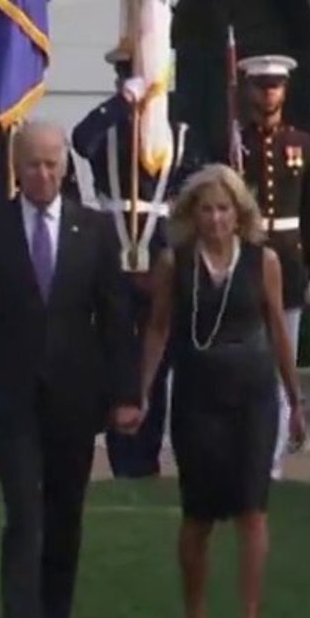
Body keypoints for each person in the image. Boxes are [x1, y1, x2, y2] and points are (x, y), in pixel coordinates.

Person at [0, 121, 141, 618]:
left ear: (65, 167)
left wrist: (126, 393)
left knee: (64, 513)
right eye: (34, 164)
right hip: (10, 397)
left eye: (53, 164)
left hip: (74, 396)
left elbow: (115, 319)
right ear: (17, 167)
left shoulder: (95, 231)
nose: (44, 174)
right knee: (24, 512)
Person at [138, 164, 306, 618]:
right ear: (193, 215)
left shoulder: (264, 261)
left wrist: (295, 401)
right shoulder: (175, 262)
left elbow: (279, 329)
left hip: (253, 394)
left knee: (252, 511)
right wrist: (140, 392)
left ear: (239, 214)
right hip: (196, 394)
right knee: (199, 515)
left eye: (224, 209)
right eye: (206, 210)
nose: (215, 219)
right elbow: (159, 329)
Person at [72, 46, 196, 480]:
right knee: (111, 348)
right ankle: (120, 450)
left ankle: (146, 450)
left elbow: (187, 188)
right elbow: (79, 140)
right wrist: (120, 104)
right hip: (110, 243)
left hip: (158, 247)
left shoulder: (176, 131)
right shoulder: (106, 125)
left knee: (155, 352)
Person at [235, 54, 310, 480]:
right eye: (260, 85)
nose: (268, 93)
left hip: (288, 265)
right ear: (247, 90)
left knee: (280, 362)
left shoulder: (305, 147)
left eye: (275, 85)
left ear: (285, 90)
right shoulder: (234, 143)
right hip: (244, 260)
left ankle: (270, 462)